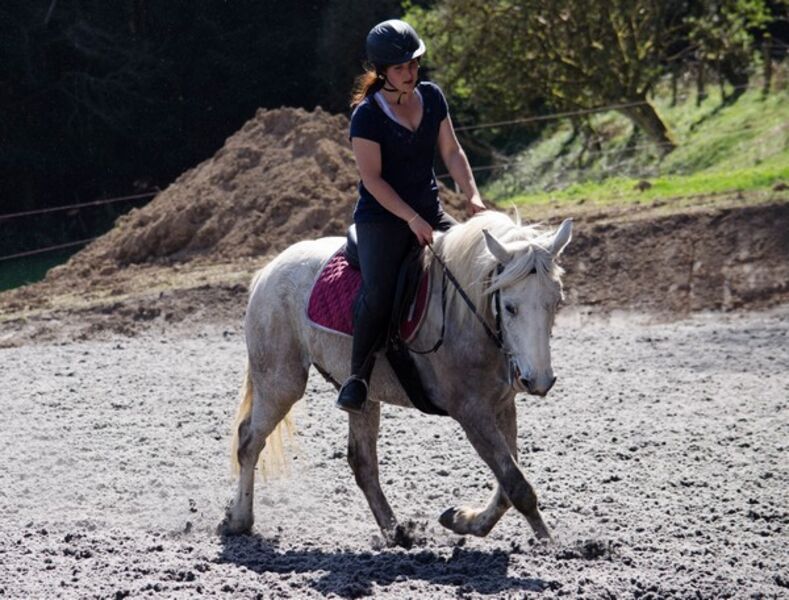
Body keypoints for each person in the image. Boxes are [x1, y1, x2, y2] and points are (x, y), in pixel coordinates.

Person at [336, 18, 486, 414]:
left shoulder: (432, 97)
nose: (410, 72)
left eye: (414, 64)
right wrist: (410, 219)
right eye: (401, 67)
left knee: (478, 264)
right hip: (382, 219)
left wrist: (472, 195)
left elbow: (451, 151)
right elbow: (372, 180)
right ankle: (357, 377)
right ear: (382, 71)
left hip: (430, 210)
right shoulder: (367, 116)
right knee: (380, 292)